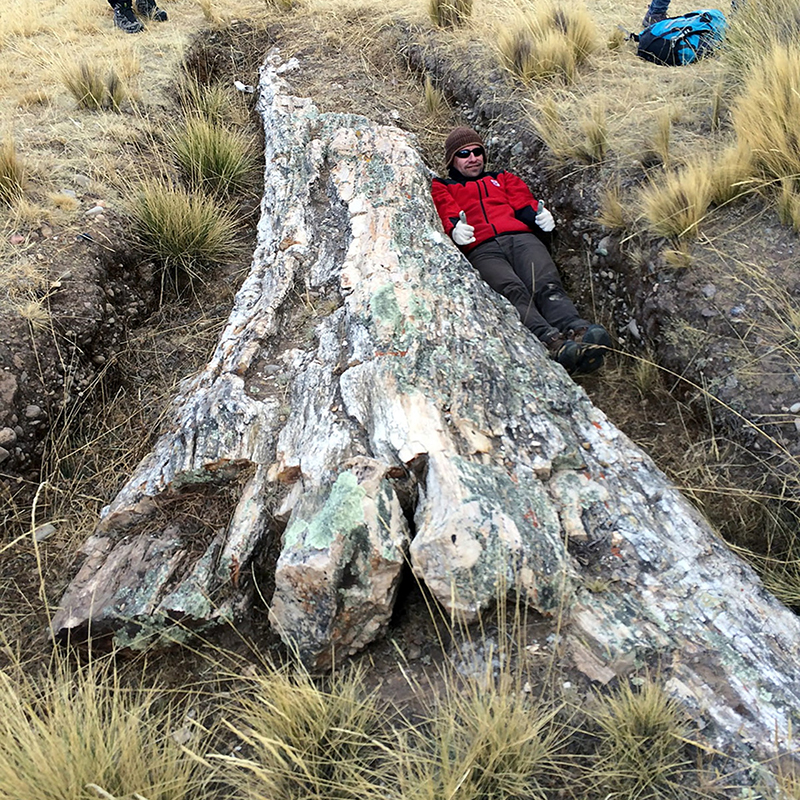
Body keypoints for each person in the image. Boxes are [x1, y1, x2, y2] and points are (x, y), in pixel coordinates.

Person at [430, 126, 611, 375]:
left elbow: (522, 201)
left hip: (521, 238)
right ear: (452, 160)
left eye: (477, 151)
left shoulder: (502, 178)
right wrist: (454, 229)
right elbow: (445, 209)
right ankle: (552, 342)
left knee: (545, 283)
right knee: (512, 292)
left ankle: (578, 331)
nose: (473, 158)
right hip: (482, 249)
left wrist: (537, 216)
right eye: (464, 153)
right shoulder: (444, 186)